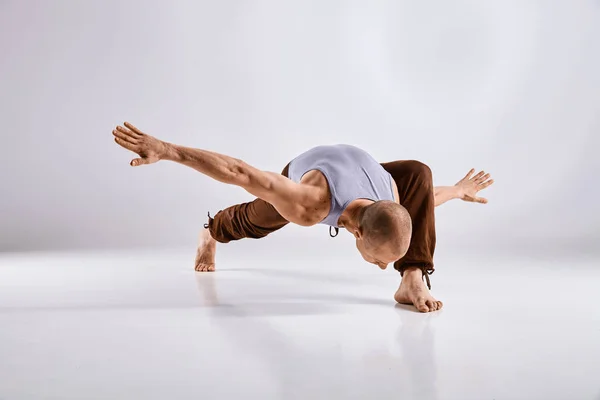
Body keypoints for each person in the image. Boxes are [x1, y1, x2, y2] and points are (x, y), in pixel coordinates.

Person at [112, 122, 494, 313]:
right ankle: (209, 233)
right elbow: (241, 173)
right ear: (357, 233)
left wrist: (459, 191)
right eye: (381, 261)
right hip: (305, 173)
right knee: (253, 220)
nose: (380, 268)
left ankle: (412, 279)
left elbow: (427, 199)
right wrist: (168, 150)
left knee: (419, 174)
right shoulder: (308, 204)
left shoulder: (393, 195)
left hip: (363, 173)